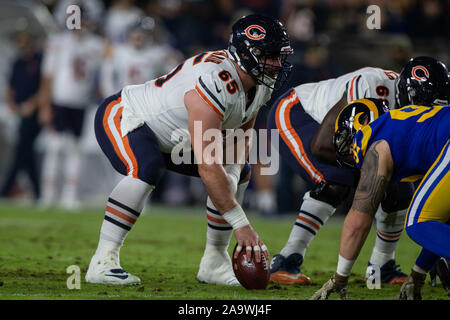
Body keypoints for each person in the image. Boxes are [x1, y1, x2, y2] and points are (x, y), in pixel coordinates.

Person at [85, 14, 294, 285]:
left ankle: (214, 263)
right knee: (146, 168)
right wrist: (242, 225)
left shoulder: (259, 82)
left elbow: (241, 135)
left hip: (175, 138)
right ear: (245, 53)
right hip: (128, 115)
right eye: (269, 56)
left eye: (279, 56)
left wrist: (231, 174)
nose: (276, 64)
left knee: (238, 170)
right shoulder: (214, 81)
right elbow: (207, 165)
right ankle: (102, 262)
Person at [266, 56, 450, 285]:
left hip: (339, 140)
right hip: (299, 113)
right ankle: (286, 259)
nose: (429, 113)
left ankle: (382, 266)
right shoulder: (372, 87)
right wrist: (380, 174)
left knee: (401, 190)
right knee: (336, 181)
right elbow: (323, 145)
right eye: (426, 105)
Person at [310, 98, 450, 300]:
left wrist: (339, 277)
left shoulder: (376, 140)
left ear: (364, 120)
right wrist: (418, 274)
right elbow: (439, 218)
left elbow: (359, 220)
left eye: (347, 141)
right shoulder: (407, 126)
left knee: (416, 222)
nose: (350, 150)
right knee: (430, 219)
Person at [38, 9, 105, 210]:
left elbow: (108, 58)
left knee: (76, 149)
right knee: (55, 147)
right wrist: (45, 104)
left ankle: (69, 195)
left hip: (81, 102)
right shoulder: (59, 41)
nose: (81, 25)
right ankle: (47, 194)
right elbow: (47, 75)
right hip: (60, 99)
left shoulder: (96, 44)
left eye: (84, 21)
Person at [0, 30, 43, 202]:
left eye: (25, 41)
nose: (23, 45)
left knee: (21, 150)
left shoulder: (39, 60)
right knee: (26, 151)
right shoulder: (17, 63)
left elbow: (45, 86)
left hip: (33, 112)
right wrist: (12, 104)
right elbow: (10, 88)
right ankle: (38, 191)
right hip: (19, 112)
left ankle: (6, 189)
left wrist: (32, 104)